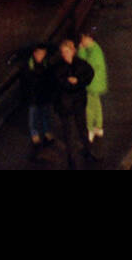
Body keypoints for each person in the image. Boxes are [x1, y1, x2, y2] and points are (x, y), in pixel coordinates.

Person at [49, 39, 96, 167]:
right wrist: (69, 82)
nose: (65, 54)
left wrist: (78, 81)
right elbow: (56, 82)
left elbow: (89, 74)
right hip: (64, 104)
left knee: (82, 128)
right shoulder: (57, 67)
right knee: (68, 132)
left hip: (78, 102)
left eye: (67, 51)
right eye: (63, 52)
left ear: (73, 51)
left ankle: (88, 152)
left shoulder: (80, 64)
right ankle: (71, 159)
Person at [18, 43, 55, 159]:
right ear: (34, 54)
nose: (41, 56)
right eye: (39, 53)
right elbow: (24, 84)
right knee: (33, 117)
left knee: (45, 115)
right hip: (33, 97)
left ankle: (46, 131)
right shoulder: (28, 67)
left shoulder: (46, 64)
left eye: (43, 53)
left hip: (44, 95)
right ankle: (35, 134)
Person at [77, 30, 108, 145]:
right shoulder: (95, 49)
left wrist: (81, 50)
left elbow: (84, 65)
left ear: (89, 39)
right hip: (96, 83)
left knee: (89, 107)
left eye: (83, 38)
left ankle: (90, 129)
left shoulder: (93, 52)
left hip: (91, 84)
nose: (81, 41)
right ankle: (98, 127)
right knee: (96, 105)